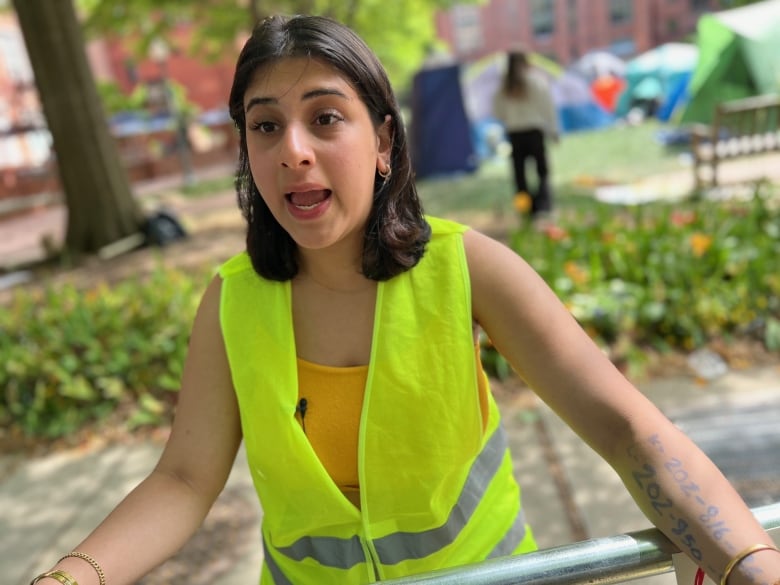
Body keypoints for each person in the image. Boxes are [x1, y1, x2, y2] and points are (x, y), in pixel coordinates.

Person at [30, 14, 780, 585]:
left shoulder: (470, 269)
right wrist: (72, 574)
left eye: (325, 118)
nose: (292, 148)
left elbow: (627, 429)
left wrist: (748, 555)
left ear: (383, 140)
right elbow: (184, 480)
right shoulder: (229, 304)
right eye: (265, 126)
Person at [492, 49, 559, 218]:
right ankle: (544, 206)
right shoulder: (536, 82)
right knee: (542, 172)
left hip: (515, 133)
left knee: (519, 176)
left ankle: (524, 209)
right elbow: (548, 107)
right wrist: (553, 130)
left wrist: (509, 118)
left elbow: (497, 111)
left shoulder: (504, 87)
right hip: (534, 131)